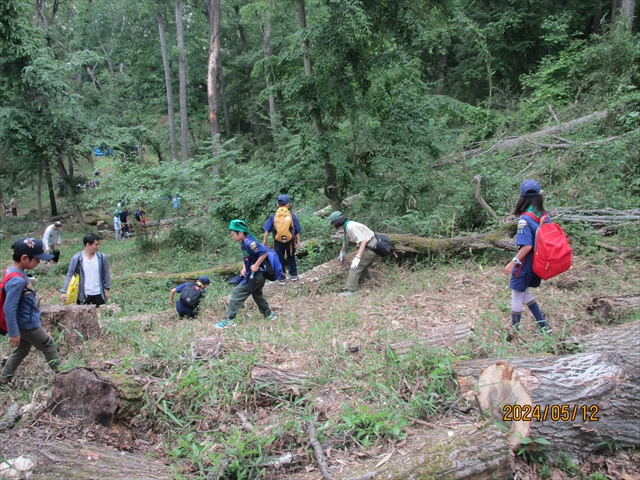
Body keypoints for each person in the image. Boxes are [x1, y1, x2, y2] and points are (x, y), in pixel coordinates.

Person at [1, 238, 60, 386]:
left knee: (23, 348)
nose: (39, 262)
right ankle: (64, 375)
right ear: (24, 258)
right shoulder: (17, 281)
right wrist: (14, 333)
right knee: (49, 346)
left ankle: (4, 377)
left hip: (24, 322)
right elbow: (9, 307)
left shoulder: (12, 271)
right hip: (28, 325)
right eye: (37, 259)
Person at [503, 179, 553, 334]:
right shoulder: (544, 216)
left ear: (521, 197)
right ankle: (544, 326)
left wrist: (513, 262)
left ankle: (515, 331)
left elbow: (527, 246)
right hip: (539, 262)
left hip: (526, 264)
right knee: (523, 292)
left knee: (516, 295)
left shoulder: (525, 220)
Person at [215, 220, 276, 329]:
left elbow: (264, 251)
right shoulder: (244, 242)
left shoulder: (250, 243)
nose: (232, 237)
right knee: (257, 294)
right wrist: (244, 267)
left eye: (233, 234)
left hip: (257, 275)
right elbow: (248, 257)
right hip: (254, 274)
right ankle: (268, 314)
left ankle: (229, 320)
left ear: (240, 233)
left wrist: (256, 265)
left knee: (237, 293)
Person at [328, 211, 378, 296]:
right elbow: (345, 239)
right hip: (370, 246)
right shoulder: (346, 226)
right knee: (362, 266)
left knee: (354, 267)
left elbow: (363, 241)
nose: (333, 225)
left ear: (336, 222)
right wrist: (342, 252)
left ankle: (350, 290)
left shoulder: (351, 227)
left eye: (333, 223)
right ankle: (369, 281)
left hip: (371, 247)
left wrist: (358, 257)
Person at [60, 233, 111, 307]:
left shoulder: (101, 257)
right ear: (88, 245)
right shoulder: (77, 258)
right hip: (83, 295)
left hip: (98, 293)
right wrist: (64, 291)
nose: (98, 247)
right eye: (96, 245)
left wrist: (106, 290)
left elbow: (106, 274)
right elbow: (69, 274)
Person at [262, 194, 302, 285]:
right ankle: (294, 275)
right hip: (290, 241)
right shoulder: (291, 216)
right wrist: (298, 240)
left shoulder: (274, 216)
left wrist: (265, 240)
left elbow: (267, 229)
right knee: (291, 257)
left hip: (278, 242)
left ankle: (281, 277)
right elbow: (297, 230)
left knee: (279, 259)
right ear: (288, 205)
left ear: (277, 205)